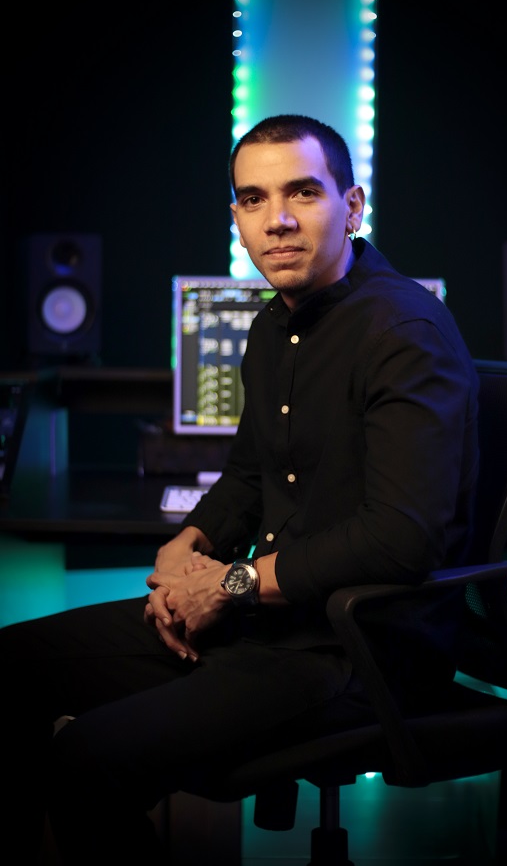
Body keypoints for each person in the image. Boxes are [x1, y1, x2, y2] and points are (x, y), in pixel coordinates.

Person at [0, 114, 479, 863]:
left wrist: (230, 583)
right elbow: (251, 476)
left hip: (356, 650)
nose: (277, 219)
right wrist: (188, 543)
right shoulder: (272, 326)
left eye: (303, 192)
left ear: (352, 206)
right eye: (254, 199)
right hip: (268, 627)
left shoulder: (405, 331)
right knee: (11, 665)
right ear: (237, 218)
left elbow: (400, 537)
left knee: (84, 762)